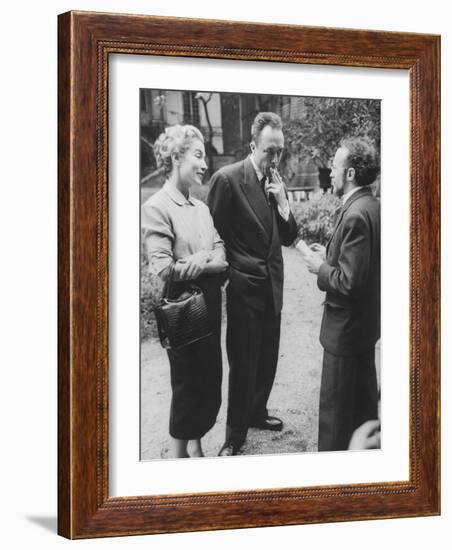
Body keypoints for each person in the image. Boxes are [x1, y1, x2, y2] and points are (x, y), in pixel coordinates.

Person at [208, 112, 298, 456]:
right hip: (245, 289)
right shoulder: (228, 179)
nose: (275, 158)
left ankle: (257, 412)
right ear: (252, 145)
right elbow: (213, 235)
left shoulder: (277, 182)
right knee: (243, 362)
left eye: (280, 151)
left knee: (267, 357)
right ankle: (234, 434)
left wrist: (283, 203)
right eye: (269, 151)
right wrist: (230, 274)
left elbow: (288, 237)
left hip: (272, 286)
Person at [141, 124, 228, 459]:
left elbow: (222, 257)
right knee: (187, 387)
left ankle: (197, 445)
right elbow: (163, 267)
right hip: (182, 308)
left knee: (209, 384)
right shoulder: (156, 206)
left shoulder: (202, 208)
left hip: (209, 304)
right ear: (176, 157)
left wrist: (201, 258)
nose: (205, 163)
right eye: (198, 155)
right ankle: (179, 462)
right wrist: (207, 261)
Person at [302, 136, 380, 452]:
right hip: (362, 332)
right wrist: (330, 255)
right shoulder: (370, 205)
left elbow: (349, 283)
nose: (330, 171)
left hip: (344, 336)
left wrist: (320, 267)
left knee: (335, 423)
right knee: (362, 412)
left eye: (334, 165)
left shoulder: (356, 214)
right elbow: (361, 266)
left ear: (349, 173)